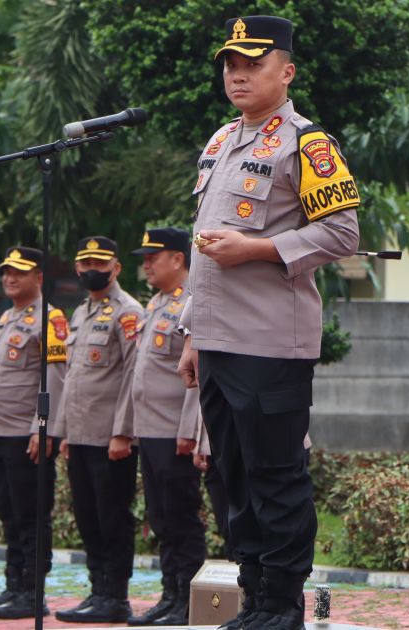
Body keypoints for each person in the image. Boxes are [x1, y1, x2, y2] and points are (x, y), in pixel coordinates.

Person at [180, 15, 361, 630]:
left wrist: (256, 249)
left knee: (276, 476)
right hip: (216, 339)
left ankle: (282, 605)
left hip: (269, 343)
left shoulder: (306, 144)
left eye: (252, 64)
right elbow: (202, 247)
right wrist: (189, 333)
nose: (238, 74)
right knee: (232, 476)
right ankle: (253, 597)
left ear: (285, 72)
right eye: (231, 64)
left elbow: (342, 233)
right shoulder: (219, 140)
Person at [0, 246, 68, 619]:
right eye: (7, 272)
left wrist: (42, 429)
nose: (10, 278)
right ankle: (13, 585)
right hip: (1, 432)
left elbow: (55, 378)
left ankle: (32, 590)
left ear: (38, 278)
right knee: (9, 512)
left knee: (31, 515)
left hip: (28, 435)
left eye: (19, 272)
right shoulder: (7, 317)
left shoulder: (50, 319)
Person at [52, 236, 144, 624]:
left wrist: (123, 432)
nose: (93, 270)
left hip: (111, 439)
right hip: (82, 435)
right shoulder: (81, 311)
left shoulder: (128, 311)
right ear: (77, 268)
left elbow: (132, 376)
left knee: (112, 517)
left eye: (101, 264)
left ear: (116, 268)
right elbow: (73, 378)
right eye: (86, 263)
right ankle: (97, 591)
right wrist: (65, 432)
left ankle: (116, 596)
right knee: (88, 518)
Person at [126, 228, 207, 626]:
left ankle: (187, 600)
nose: (146, 265)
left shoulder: (191, 301)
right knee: (159, 517)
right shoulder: (156, 303)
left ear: (177, 259)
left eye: (152, 257)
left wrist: (189, 431)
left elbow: (195, 374)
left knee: (180, 517)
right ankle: (169, 593)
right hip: (149, 431)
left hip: (175, 433)